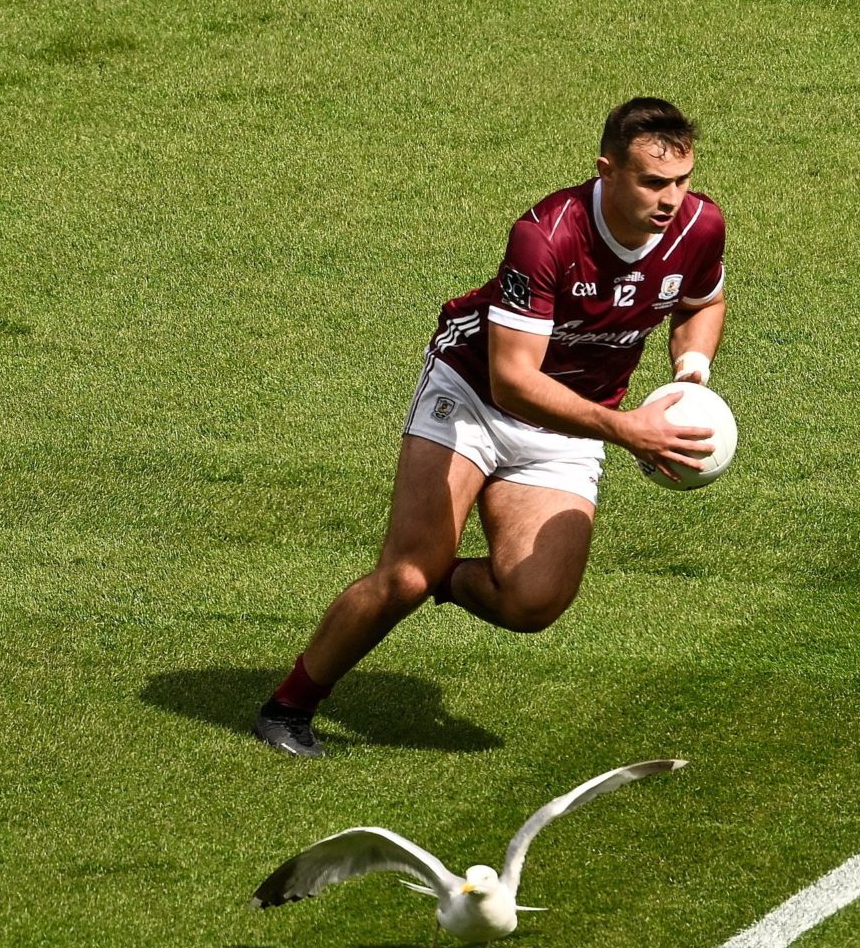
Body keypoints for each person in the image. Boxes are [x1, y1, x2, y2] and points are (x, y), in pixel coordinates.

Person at [255, 97, 729, 758]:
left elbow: (702, 301)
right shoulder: (548, 234)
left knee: (533, 603)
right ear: (607, 170)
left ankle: (440, 573)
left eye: (681, 180)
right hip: (474, 394)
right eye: (653, 182)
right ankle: (289, 704)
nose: (672, 198)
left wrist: (691, 375)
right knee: (404, 578)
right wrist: (625, 430)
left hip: (570, 422)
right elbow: (513, 379)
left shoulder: (701, 225)